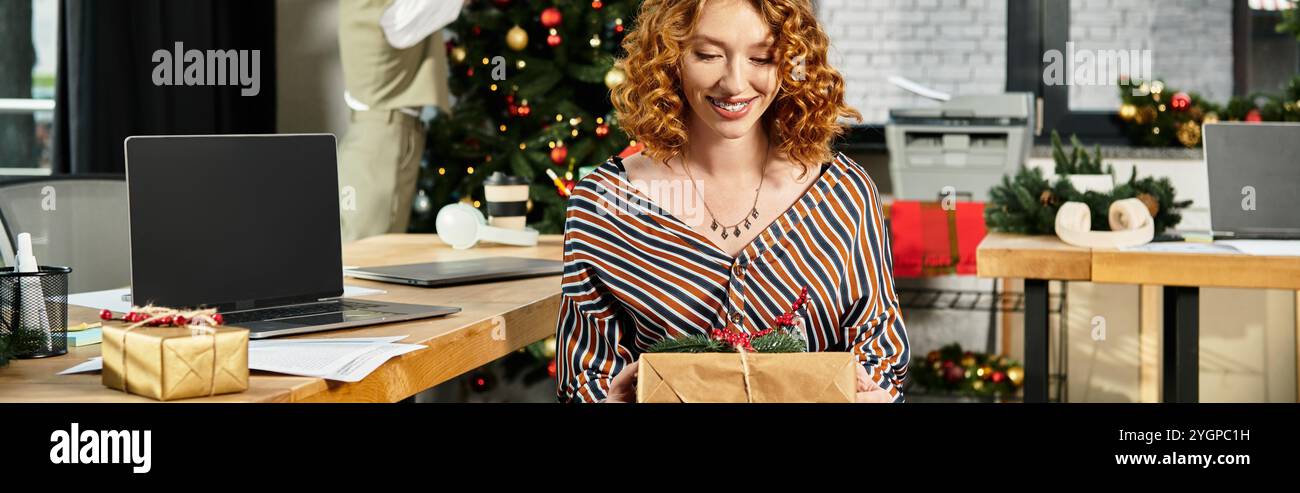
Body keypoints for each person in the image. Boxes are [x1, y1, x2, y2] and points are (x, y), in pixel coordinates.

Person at [555, 0, 909, 403]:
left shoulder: (846, 192)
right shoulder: (604, 204)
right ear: (668, 57)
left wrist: (873, 395)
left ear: (790, 62)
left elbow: (880, 354)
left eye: (761, 58)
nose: (735, 84)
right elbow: (585, 376)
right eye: (707, 55)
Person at [337, 0, 464, 241]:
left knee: (379, 251)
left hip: (389, 132)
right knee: (364, 254)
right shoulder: (380, 10)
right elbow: (403, 24)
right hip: (381, 138)